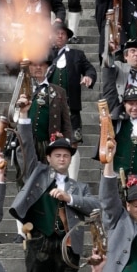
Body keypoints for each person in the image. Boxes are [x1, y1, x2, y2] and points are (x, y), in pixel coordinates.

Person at [9, 109, 97, 272]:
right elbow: (25, 145)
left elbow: (96, 205)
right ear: (48, 158)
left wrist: (70, 198)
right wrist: (24, 117)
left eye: (66, 155)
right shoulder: (36, 174)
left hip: (67, 245)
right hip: (38, 241)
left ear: (71, 159)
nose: (62, 158)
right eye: (57, 155)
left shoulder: (79, 187)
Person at [48, 19, 97, 179]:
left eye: (63, 34)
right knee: (49, 142)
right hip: (50, 108)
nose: (60, 36)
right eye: (57, 34)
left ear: (67, 37)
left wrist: (89, 77)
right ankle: (51, 178)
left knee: (73, 143)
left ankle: (72, 180)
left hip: (72, 108)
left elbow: (89, 68)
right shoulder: (44, 54)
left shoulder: (77, 54)